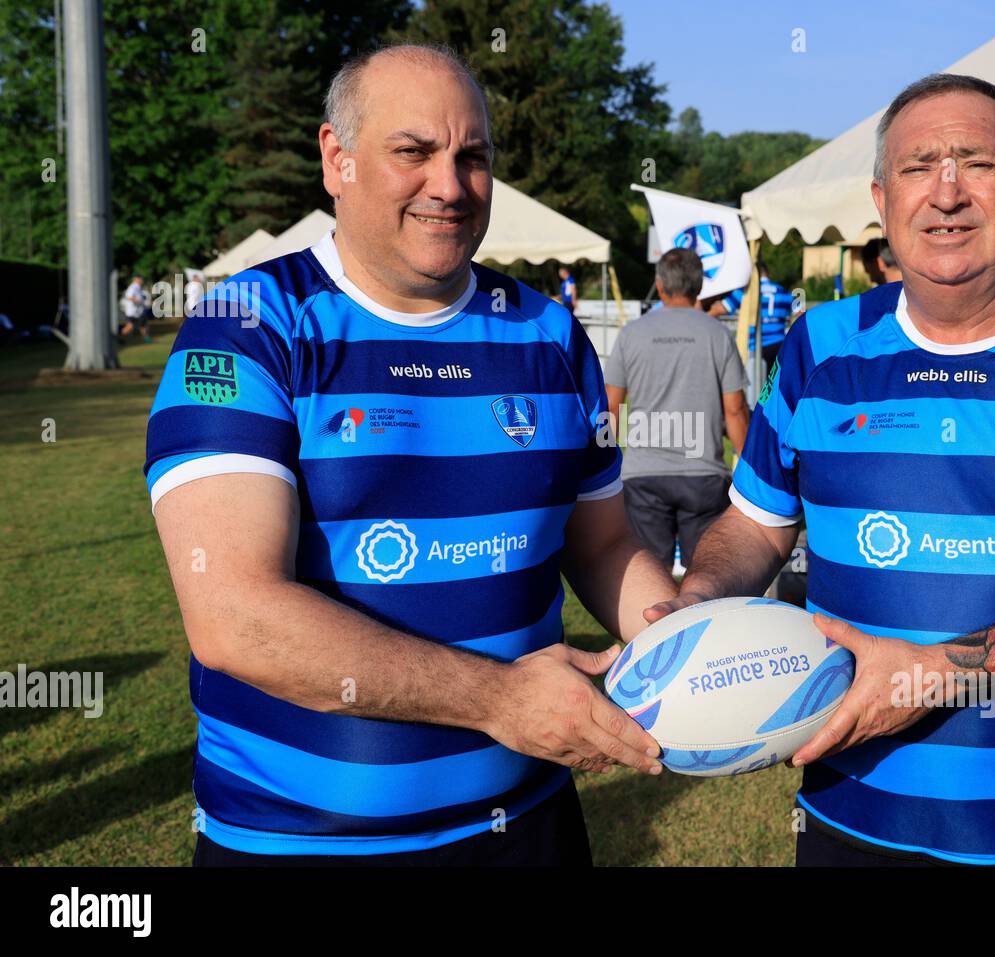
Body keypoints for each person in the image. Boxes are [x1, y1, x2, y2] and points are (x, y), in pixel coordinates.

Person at [647, 72, 995, 867]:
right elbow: (754, 521)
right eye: (919, 166)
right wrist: (702, 601)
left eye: (975, 163)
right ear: (882, 199)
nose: (945, 193)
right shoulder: (818, 344)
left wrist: (933, 673)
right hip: (846, 819)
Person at [145, 42, 675, 867]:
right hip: (298, 845)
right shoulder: (247, 325)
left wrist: (695, 644)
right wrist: (498, 699)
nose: (450, 185)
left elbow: (603, 543)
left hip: (529, 826)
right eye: (414, 152)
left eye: (473, 157)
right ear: (337, 158)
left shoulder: (546, 331)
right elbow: (234, 615)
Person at [604, 247, 749, 571]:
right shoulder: (718, 335)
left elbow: (610, 407)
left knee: (651, 579)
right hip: (703, 476)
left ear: (659, 285)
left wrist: (605, 466)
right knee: (706, 578)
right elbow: (736, 410)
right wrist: (752, 468)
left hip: (643, 475)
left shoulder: (631, 334)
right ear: (699, 287)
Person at [120, 275, 151, 342]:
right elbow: (129, 296)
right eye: (141, 279)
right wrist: (139, 302)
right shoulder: (133, 287)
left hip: (138, 311)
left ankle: (146, 339)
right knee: (130, 326)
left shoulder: (138, 287)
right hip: (132, 311)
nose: (142, 281)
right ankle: (120, 337)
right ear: (137, 279)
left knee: (143, 324)